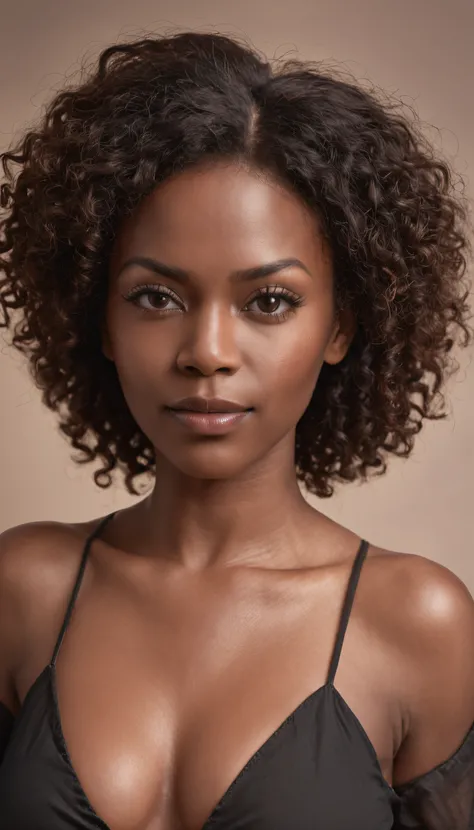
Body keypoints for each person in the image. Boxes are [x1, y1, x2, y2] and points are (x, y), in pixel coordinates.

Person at [0, 29, 472, 830]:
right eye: (156, 297)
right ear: (100, 320)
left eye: (269, 301)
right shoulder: (23, 591)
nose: (207, 353)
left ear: (340, 328)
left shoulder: (417, 623)